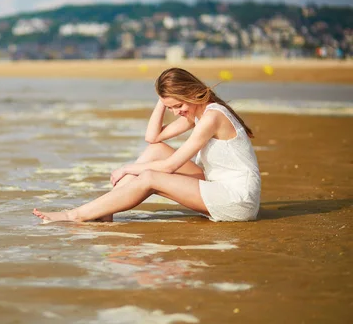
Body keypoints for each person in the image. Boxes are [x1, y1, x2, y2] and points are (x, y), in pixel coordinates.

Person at [33, 67, 261, 223]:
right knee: (156, 151)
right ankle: (105, 211)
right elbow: (153, 138)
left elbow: (170, 167)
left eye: (178, 105)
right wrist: (162, 100)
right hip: (216, 184)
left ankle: (75, 215)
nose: (176, 112)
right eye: (170, 107)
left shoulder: (212, 117)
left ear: (190, 92)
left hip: (236, 200)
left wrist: (127, 169)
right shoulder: (197, 112)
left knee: (151, 177)